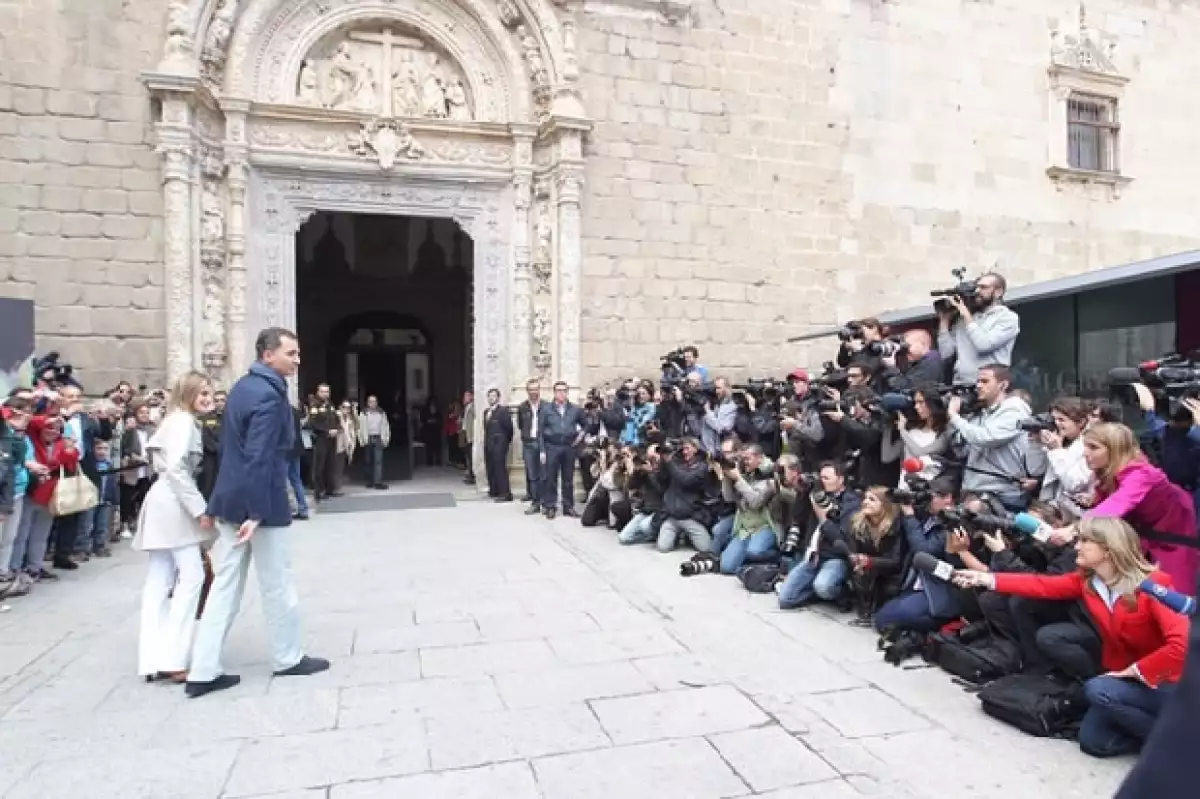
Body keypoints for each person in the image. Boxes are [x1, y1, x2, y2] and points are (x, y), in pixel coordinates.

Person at [954, 517, 1188, 758]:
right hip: (1125, 677)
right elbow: (1041, 585)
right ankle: (1154, 727)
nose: (1076, 546)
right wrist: (987, 579)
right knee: (1093, 742)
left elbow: (1183, 644)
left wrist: (1133, 672)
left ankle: (1170, 742)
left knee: (1097, 689)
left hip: (1166, 681)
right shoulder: (1089, 582)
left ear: (1108, 549)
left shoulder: (1154, 585)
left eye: (1085, 541)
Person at [185, 327, 329, 699]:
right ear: (268, 355)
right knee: (277, 582)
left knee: (225, 586)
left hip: (233, 499)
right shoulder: (268, 395)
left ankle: (203, 669)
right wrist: (257, 511)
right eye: (291, 354)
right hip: (259, 502)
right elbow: (259, 455)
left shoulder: (242, 388)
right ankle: (287, 656)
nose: (297, 361)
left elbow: (233, 451)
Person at [134, 371, 216, 683]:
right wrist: (199, 509)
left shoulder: (173, 420)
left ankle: (151, 658)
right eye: (202, 393)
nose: (208, 399)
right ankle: (173, 656)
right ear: (188, 394)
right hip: (174, 502)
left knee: (159, 579)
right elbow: (177, 469)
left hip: (163, 499)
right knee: (191, 576)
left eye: (210, 393)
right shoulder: (183, 422)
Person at [1078, 422, 1198, 593]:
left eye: (1093, 447)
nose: (1085, 453)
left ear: (1115, 450)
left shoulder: (1142, 473)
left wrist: (1076, 528)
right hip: (1143, 545)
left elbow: (1117, 504)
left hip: (1172, 546)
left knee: (1169, 598)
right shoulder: (1110, 476)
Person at [778, 462, 862, 609]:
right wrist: (803, 493)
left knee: (823, 587)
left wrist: (823, 517)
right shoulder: (816, 495)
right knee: (786, 599)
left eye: (826, 478)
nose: (822, 482)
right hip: (812, 556)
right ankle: (818, 591)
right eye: (820, 478)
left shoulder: (851, 502)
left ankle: (843, 592)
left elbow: (840, 537)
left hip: (835, 557)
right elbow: (797, 518)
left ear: (840, 479)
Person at [11, 415, 79, 578]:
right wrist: (53, 419)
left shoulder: (61, 444)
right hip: (30, 491)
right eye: (49, 428)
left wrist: (70, 450)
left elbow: (70, 465)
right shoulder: (32, 439)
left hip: (50, 494)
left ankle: (35, 567)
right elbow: (32, 423)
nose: (53, 432)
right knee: (21, 534)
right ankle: (14, 568)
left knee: (41, 533)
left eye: (57, 429)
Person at [937, 272, 1021, 384]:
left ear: (998, 292)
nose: (977, 291)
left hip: (989, 385)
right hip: (961, 383)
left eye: (983, 287)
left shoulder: (1008, 318)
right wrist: (944, 321)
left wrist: (965, 313)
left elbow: (984, 345)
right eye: (976, 287)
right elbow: (946, 353)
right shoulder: (964, 319)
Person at [0, 398, 34, 597]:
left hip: (13, 492)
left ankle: (3, 575)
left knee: (9, 537)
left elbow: (17, 459)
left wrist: (18, 431)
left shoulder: (9, 435)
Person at [539, 381, 583, 519]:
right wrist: (542, 450)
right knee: (550, 478)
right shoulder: (546, 409)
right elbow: (540, 431)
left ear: (567, 392)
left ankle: (568, 506)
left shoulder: (575, 409)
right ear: (554, 392)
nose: (561, 393)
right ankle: (550, 506)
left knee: (568, 478)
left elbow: (586, 424)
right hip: (552, 446)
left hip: (569, 447)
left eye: (564, 390)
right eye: (558, 390)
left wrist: (580, 436)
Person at [517, 379, 548, 513]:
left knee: (544, 475)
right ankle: (535, 503)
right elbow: (520, 424)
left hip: (543, 443)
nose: (533, 392)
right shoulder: (522, 407)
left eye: (536, 389)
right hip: (528, 444)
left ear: (539, 390)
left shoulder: (547, 406)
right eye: (531, 389)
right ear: (527, 391)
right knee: (532, 475)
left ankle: (545, 502)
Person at [306, 384, 339, 502]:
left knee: (330, 464)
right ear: (318, 392)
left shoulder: (330, 405)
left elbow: (336, 419)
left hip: (331, 439)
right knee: (319, 466)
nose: (325, 394)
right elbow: (313, 423)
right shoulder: (315, 405)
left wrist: (336, 428)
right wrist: (327, 431)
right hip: (321, 439)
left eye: (327, 392)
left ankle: (330, 489)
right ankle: (318, 491)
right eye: (323, 391)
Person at [483, 389, 513, 502]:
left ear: (498, 398)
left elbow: (509, 428)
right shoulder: (486, 412)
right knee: (490, 467)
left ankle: (505, 493)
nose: (491, 398)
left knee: (500, 468)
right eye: (490, 396)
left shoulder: (503, 411)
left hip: (499, 443)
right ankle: (494, 490)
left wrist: (504, 441)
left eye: (494, 396)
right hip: (489, 443)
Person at [357, 395, 390, 490]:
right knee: (368, 461)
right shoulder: (363, 413)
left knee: (378, 461)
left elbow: (386, 426)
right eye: (370, 401)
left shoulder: (381, 413)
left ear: (377, 403)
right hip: (368, 438)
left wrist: (386, 438)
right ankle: (370, 481)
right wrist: (361, 439)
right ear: (368, 403)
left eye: (374, 401)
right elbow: (359, 427)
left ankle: (378, 482)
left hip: (378, 438)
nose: (372, 403)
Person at [335, 401, 357, 491]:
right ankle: (333, 487)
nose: (347, 409)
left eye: (348, 407)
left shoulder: (350, 418)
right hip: (335, 444)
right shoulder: (336, 416)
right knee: (334, 467)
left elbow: (355, 428)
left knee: (340, 466)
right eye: (344, 407)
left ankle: (337, 486)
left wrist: (355, 412)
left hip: (345, 445)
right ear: (340, 407)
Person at [461, 390, 476, 485]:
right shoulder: (467, 407)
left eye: (467, 396)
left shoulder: (472, 406)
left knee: (471, 456)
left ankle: (472, 476)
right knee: (468, 456)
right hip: (466, 433)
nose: (465, 398)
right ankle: (469, 474)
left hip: (471, 435)